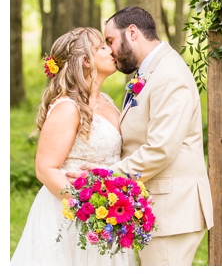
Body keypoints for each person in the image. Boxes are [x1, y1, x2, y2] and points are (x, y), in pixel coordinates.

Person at [71, 7, 214, 266]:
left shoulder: (169, 75)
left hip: (172, 209)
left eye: (111, 40)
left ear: (132, 33)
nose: (110, 49)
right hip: (156, 207)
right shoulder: (151, 71)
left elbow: (160, 149)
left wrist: (106, 177)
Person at [11, 27, 134, 265]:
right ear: (86, 61)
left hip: (108, 214)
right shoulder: (68, 107)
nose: (111, 49)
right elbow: (45, 169)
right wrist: (87, 207)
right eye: (102, 47)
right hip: (71, 215)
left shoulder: (107, 100)